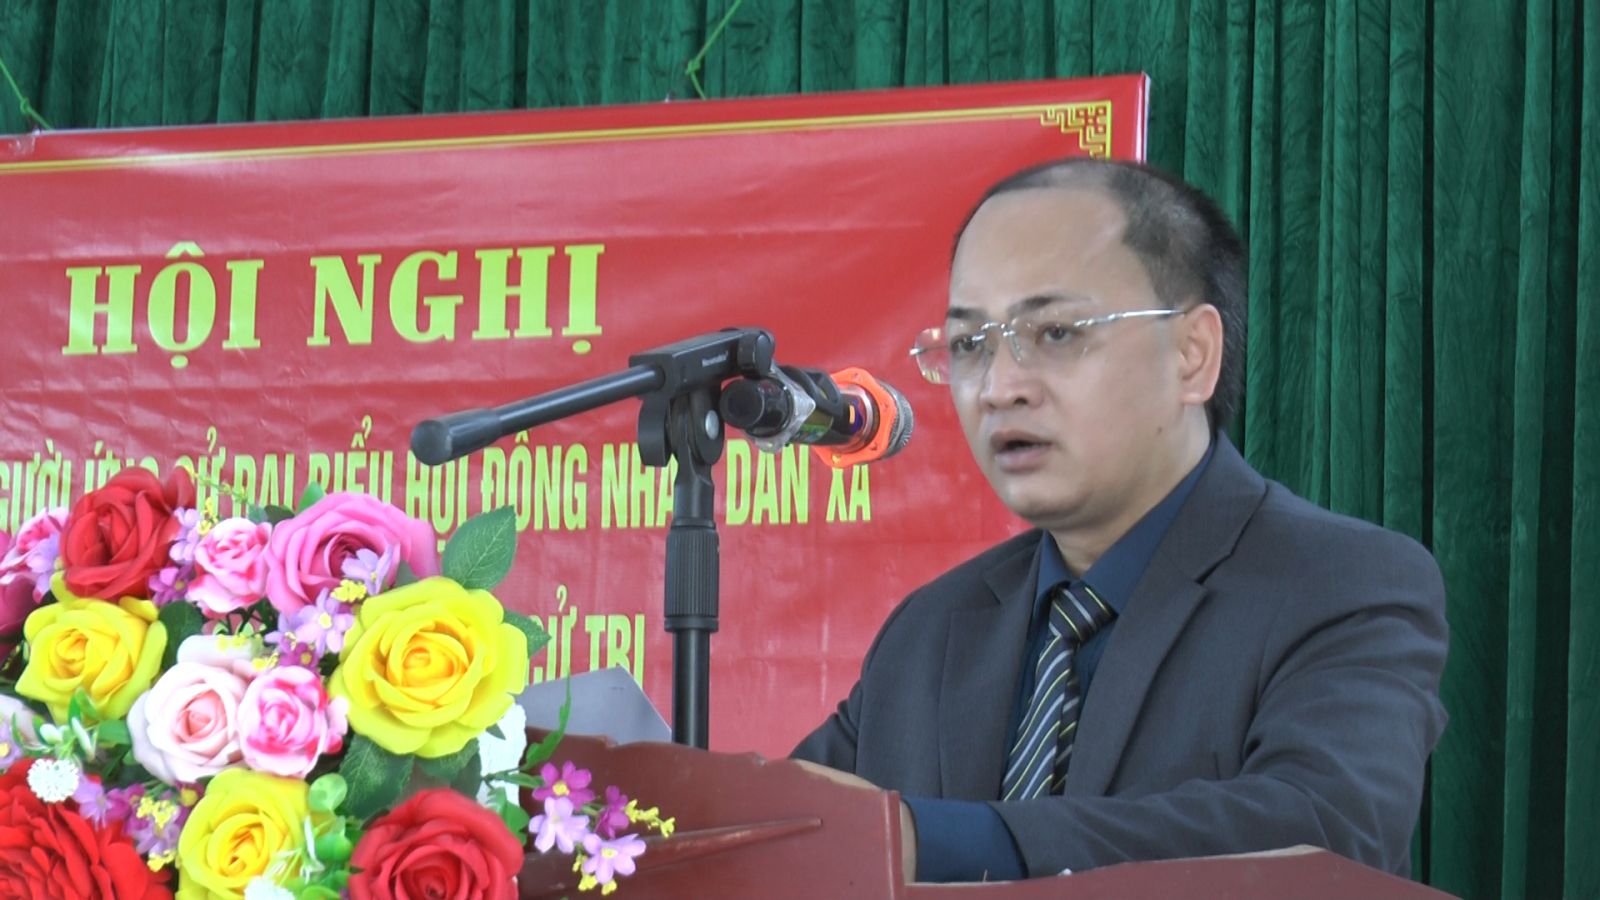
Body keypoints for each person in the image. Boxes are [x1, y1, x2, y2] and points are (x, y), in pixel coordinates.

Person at [790, 157, 1449, 883]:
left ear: (1193, 355)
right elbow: (791, 831)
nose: (999, 388)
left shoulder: (1341, 585)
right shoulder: (929, 630)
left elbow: (1323, 833)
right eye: (971, 344)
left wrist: (946, 840)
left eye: (1056, 332)